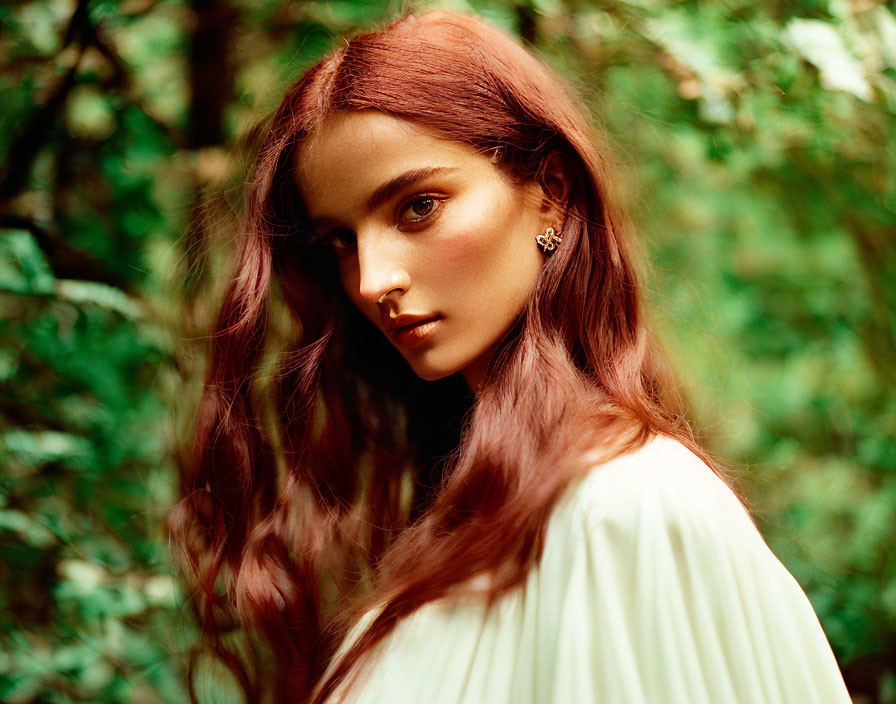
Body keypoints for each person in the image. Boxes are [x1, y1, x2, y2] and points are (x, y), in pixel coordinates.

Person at [169, 9, 854, 704]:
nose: (373, 281)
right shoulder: (469, 524)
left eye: (418, 207)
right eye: (340, 241)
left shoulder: (624, 510)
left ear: (550, 196)